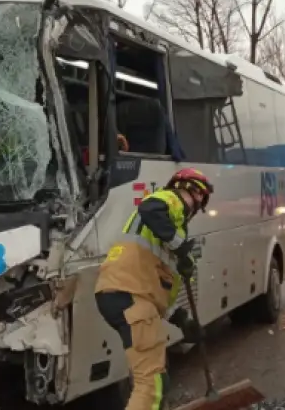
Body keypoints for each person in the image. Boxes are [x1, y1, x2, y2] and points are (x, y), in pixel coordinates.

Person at [94, 167, 213, 410]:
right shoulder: (171, 199)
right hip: (130, 295)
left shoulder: (166, 230)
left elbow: (157, 291)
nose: (196, 206)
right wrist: (181, 248)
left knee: (156, 377)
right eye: (199, 197)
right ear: (188, 189)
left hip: (126, 295)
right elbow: (149, 209)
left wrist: (182, 321)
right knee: (151, 383)